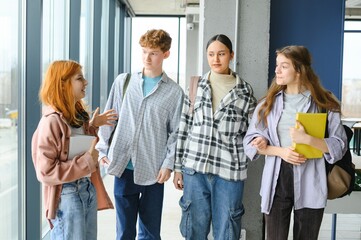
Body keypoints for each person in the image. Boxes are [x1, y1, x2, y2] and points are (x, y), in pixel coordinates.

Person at [243, 45, 348, 240]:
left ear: (299, 70)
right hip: (277, 178)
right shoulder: (268, 104)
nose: (277, 71)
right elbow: (250, 141)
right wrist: (275, 148)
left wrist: (308, 139)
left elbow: (339, 145)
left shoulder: (324, 103)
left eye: (284, 66)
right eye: (277, 66)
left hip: (311, 177)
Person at [96, 29, 184, 240]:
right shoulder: (123, 82)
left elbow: (176, 134)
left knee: (151, 233)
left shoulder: (174, 92)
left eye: (153, 52)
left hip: (153, 170)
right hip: (123, 167)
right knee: (124, 231)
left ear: (166, 54)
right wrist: (102, 150)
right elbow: (109, 118)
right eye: (144, 51)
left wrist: (168, 164)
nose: (147, 58)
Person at [173, 34, 257, 240]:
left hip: (229, 173)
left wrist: (242, 159)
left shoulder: (245, 92)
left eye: (221, 54)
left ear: (231, 55)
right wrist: (178, 168)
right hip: (195, 170)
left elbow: (252, 134)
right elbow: (183, 129)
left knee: (227, 230)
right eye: (211, 54)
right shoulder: (195, 86)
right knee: (194, 229)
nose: (216, 59)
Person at [31, 60, 117, 239]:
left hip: (86, 188)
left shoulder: (78, 117)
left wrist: (93, 125)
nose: (86, 82)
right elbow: (45, 172)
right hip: (68, 195)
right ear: (63, 85)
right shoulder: (51, 122)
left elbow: (76, 146)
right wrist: (86, 161)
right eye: (80, 78)